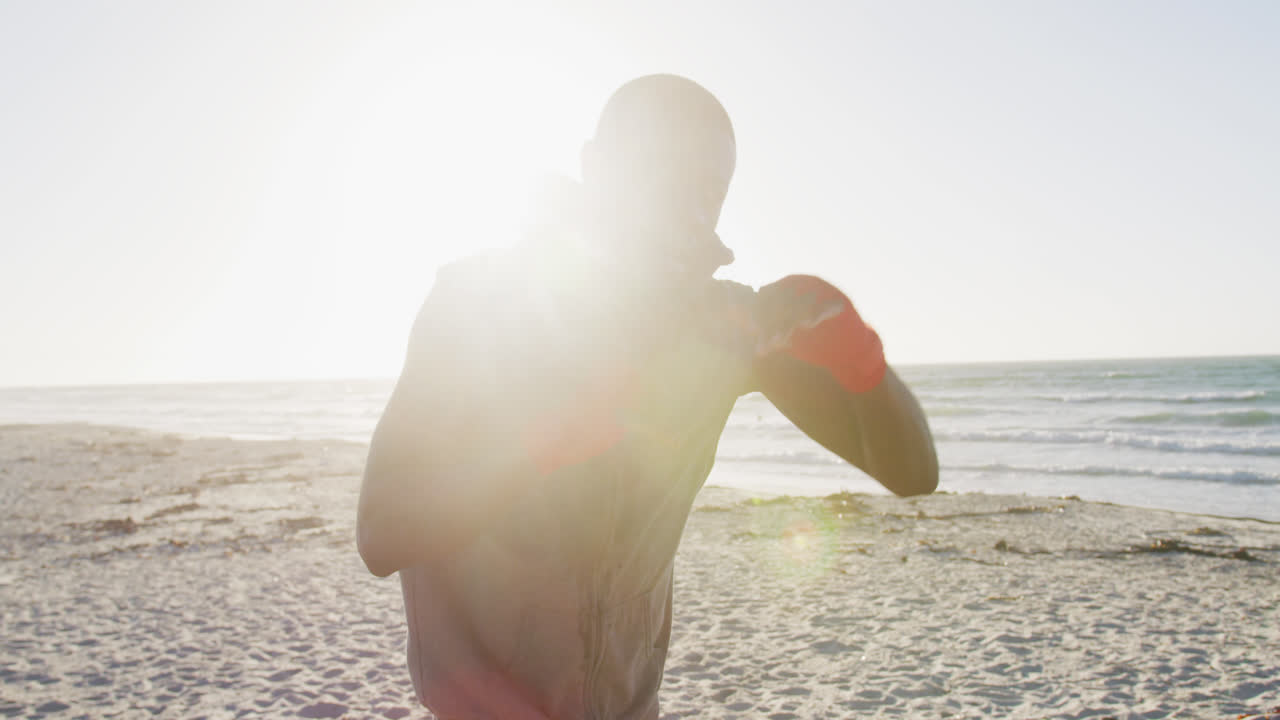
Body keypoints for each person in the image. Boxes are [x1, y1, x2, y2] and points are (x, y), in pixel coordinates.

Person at [356, 74, 938, 720]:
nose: (686, 206)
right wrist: (541, 444)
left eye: (708, 189)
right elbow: (383, 532)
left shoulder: (729, 330)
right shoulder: (483, 304)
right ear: (595, 167)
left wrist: (863, 367)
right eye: (658, 171)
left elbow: (913, 474)